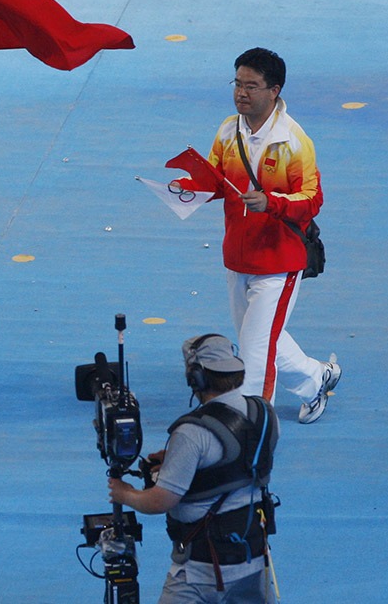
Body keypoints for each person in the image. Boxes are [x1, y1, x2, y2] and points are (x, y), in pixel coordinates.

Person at [185, 48, 339, 424]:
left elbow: (311, 199)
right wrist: (185, 186)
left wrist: (271, 203)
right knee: (264, 339)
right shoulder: (228, 129)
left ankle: (251, 426)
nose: (241, 93)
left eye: (251, 86)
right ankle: (316, 378)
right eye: (237, 84)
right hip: (237, 258)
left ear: (274, 90)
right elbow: (217, 182)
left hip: (278, 261)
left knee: (255, 355)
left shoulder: (294, 142)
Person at [109, 334, 279, 604]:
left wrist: (124, 493)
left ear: (196, 379)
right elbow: (241, 463)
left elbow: (160, 501)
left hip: (203, 569)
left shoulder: (191, 433)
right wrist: (180, 460)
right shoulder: (264, 413)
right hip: (255, 557)